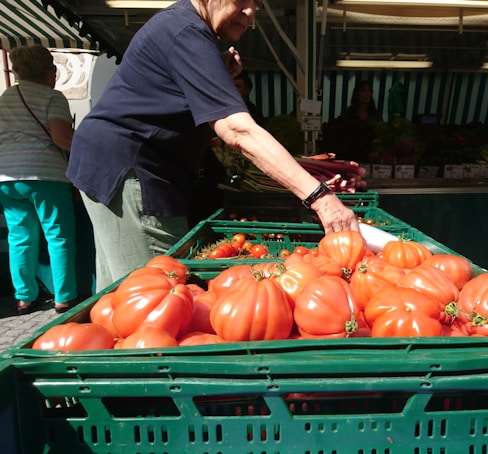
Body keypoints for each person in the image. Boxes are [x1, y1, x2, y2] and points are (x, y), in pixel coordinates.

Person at [67, 0, 359, 292]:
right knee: (157, 295)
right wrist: (320, 197)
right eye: (240, 0)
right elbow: (236, 129)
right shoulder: (186, 32)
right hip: (132, 168)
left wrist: (217, 72)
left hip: (117, 163)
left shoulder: (186, 30)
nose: (249, 11)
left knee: (118, 294)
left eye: (255, 2)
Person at [0, 44, 80, 315]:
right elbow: (62, 138)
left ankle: (24, 298)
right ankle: (64, 298)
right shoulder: (52, 97)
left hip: (7, 176)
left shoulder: (4, 98)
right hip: (45, 174)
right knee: (58, 235)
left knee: (19, 236)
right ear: (48, 71)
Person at [319, 80, 382, 163]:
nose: (367, 93)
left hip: (369, 159)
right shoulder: (349, 115)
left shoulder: (375, 116)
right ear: (357, 94)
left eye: (369, 90)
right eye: (363, 90)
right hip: (351, 157)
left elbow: (380, 137)